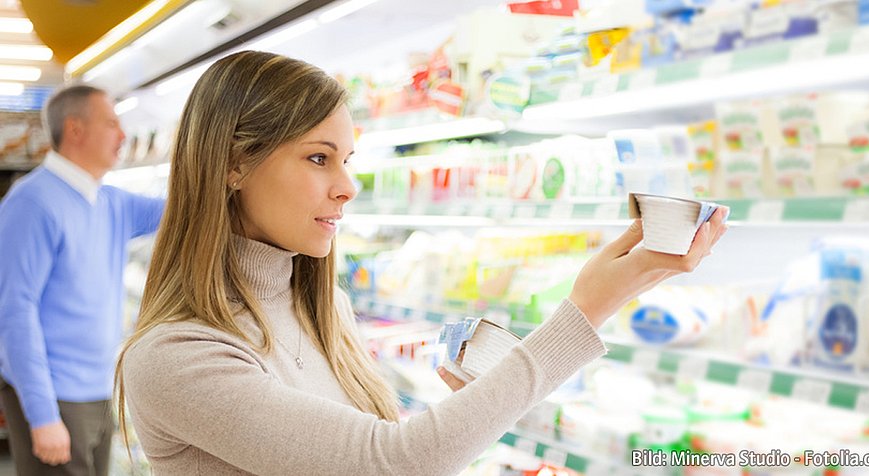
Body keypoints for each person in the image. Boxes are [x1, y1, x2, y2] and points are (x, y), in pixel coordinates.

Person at [116, 50, 727, 475]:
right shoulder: (176, 357)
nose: (348, 187)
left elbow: (374, 449)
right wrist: (591, 305)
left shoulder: (322, 305)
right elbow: (390, 464)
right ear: (232, 163)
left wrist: (477, 400)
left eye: (348, 159)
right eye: (318, 158)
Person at [0, 85, 165, 475]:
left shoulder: (109, 201)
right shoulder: (32, 203)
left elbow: (180, 210)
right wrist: (42, 416)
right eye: (111, 124)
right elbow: (13, 312)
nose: (123, 136)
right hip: (53, 397)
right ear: (74, 129)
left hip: (96, 390)